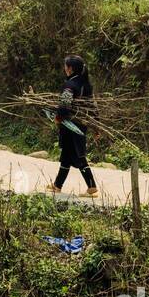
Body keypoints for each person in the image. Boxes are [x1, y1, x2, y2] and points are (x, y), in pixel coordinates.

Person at [46, 55, 100, 198]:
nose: (64, 68)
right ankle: (57, 185)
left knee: (79, 157)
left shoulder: (70, 85)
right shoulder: (86, 85)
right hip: (81, 126)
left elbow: (64, 106)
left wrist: (58, 118)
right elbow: (93, 107)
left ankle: (92, 186)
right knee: (67, 156)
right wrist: (96, 126)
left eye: (66, 66)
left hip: (70, 127)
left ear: (70, 69)